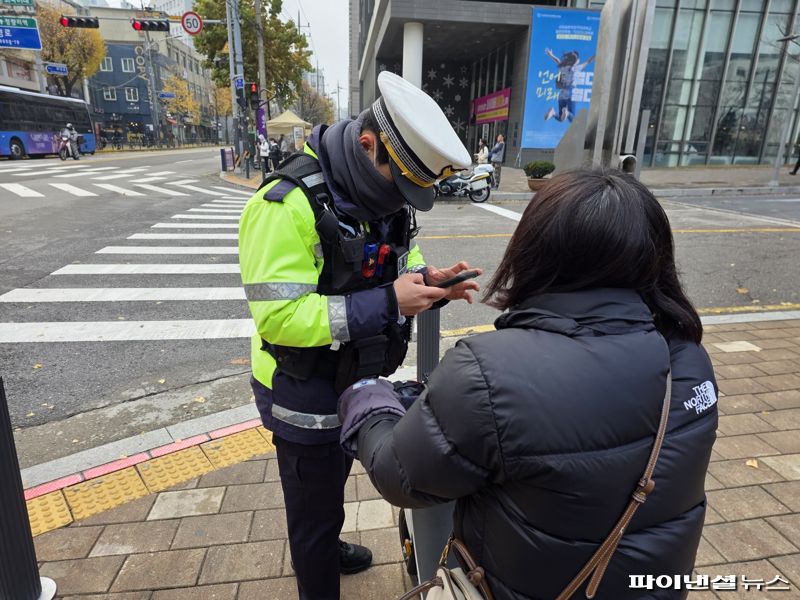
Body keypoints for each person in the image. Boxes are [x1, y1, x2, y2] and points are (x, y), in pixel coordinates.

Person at [338, 169, 718, 600]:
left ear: (537, 252)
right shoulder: (689, 359)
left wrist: (368, 397)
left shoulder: (491, 373)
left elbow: (399, 474)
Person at [238, 70, 480, 600]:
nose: (402, 204)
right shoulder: (284, 204)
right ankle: (318, 570)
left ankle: (330, 539)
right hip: (300, 389)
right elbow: (280, 319)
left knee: (335, 476)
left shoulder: (379, 198)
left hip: (356, 379)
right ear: (369, 145)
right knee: (313, 509)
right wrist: (391, 301)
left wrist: (427, 279)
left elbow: (402, 253)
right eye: (401, 186)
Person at [545, 49, 595, 123]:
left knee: (561, 118)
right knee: (572, 119)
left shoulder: (562, 67)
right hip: (571, 93)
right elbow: (588, 61)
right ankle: (567, 113)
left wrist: (550, 54)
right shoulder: (576, 68)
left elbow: (557, 60)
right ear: (576, 60)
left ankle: (553, 113)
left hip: (562, 94)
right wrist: (596, 55)